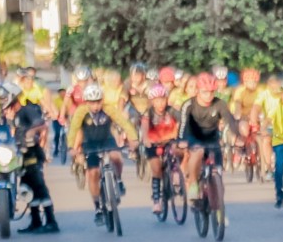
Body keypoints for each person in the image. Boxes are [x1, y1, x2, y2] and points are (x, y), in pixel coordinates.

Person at [69, 83, 133, 224]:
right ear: (87, 102)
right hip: (89, 143)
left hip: (107, 140)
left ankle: (119, 180)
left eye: (98, 101)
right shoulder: (81, 112)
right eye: (92, 102)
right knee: (93, 173)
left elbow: (123, 123)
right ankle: (98, 207)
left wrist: (133, 138)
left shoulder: (109, 109)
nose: (96, 106)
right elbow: (74, 130)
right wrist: (72, 148)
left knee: (116, 157)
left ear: (102, 100)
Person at [1, 81, 59, 234]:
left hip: (33, 154)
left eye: (4, 97)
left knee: (39, 186)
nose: (2, 101)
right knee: (26, 188)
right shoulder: (12, 116)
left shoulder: (28, 110)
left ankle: (51, 221)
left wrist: (31, 133)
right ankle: (36, 221)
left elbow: (42, 126)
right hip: (21, 155)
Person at [177, 73, 239, 200]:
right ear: (198, 91)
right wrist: (182, 140)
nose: (209, 95)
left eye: (212, 92)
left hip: (212, 137)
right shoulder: (188, 105)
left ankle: (217, 205)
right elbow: (183, 124)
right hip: (193, 137)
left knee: (218, 172)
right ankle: (193, 184)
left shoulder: (220, 104)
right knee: (198, 152)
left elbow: (229, 120)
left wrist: (237, 137)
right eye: (205, 92)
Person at [140, 83, 180, 214]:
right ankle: (156, 201)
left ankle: (175, 173)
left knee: (175, 150)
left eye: (163, 99)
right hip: (154, 142)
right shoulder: (149, 112)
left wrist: (179, 133)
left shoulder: (171, 110)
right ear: (152, 101)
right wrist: (146, 139)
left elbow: (181, 120)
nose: (161, 103)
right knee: (156, 169)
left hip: (169, 139)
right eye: (157, 100)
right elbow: (145, 126)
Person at [231, 68, 268, 172]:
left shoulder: (261, 90)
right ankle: (241, 150)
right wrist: (238, 114)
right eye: (250, 82)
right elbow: (237, 103)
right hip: (244, 115)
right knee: (244, 130)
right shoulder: (240, 91)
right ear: (245, 82)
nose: (252, 84)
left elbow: (265, 103)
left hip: (258, 116)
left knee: (263, 135)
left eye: (254, 82)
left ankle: (264, 161)